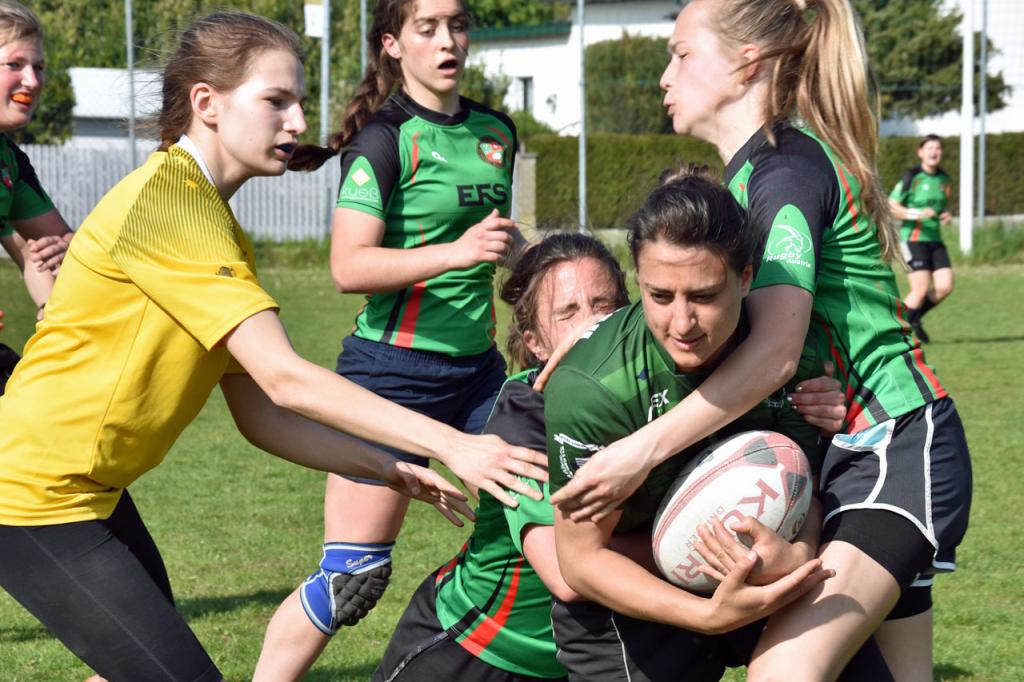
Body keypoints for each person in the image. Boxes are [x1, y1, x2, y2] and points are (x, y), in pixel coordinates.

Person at [0, 12, 544, 682]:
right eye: (276, 101)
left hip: (89, 493)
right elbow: (287, 378)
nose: (296, 123)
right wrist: (453, 443)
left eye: (297, 103)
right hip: (29, 497)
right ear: (208, 103)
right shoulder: (172, 206)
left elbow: (263, 414)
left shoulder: (210, 218)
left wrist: (384, 465)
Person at [547, 1, 972, 680]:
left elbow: (772, 352)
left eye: (682, 54)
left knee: (782, 671)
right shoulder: (753, 178)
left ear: (748, 62)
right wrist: (601, 335)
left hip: (890, 445)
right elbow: (726, 321)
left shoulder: (783, 173)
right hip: (848, 449)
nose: (665, 76)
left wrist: (639, 452)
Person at [374, 225, 849, 682]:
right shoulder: (526, 414)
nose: (592, 323)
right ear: (535, 343)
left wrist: (803, 403)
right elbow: (566, 571)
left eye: (605, 304)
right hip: (484, 645)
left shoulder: (660, 384)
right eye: (569, 311)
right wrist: (719, 543)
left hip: (594, 648)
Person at [253, 1, 533, 677]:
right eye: (427, 28)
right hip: (390, 376)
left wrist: (537, 270)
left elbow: (496, 244)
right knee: (352, 579)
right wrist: (456, 252)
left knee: (538, 538)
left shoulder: (497, 129)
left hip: (482, 378)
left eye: (457, 25)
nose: (448, 41)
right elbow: (350, 266)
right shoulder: (384, 139)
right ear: (392, 44)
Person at [0, 0, 74, 390]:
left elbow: (44, 249)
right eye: (14, 65)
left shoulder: (9, 162)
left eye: (39, 67)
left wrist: (53, 317)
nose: (32, 80)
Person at [889, 134, 954, 343]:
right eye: (930, 148)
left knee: (945, 286)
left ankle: (914, 318)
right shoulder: (912, 177)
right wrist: (917, 214)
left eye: (938, 148)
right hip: (913, 239)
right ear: (921, 152)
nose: (934, 152)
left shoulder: (944, 179)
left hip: (935, 239)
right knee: (920, 289)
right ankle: (895, 332)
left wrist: (945, 215)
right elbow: (891, 207)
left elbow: (939, 208)